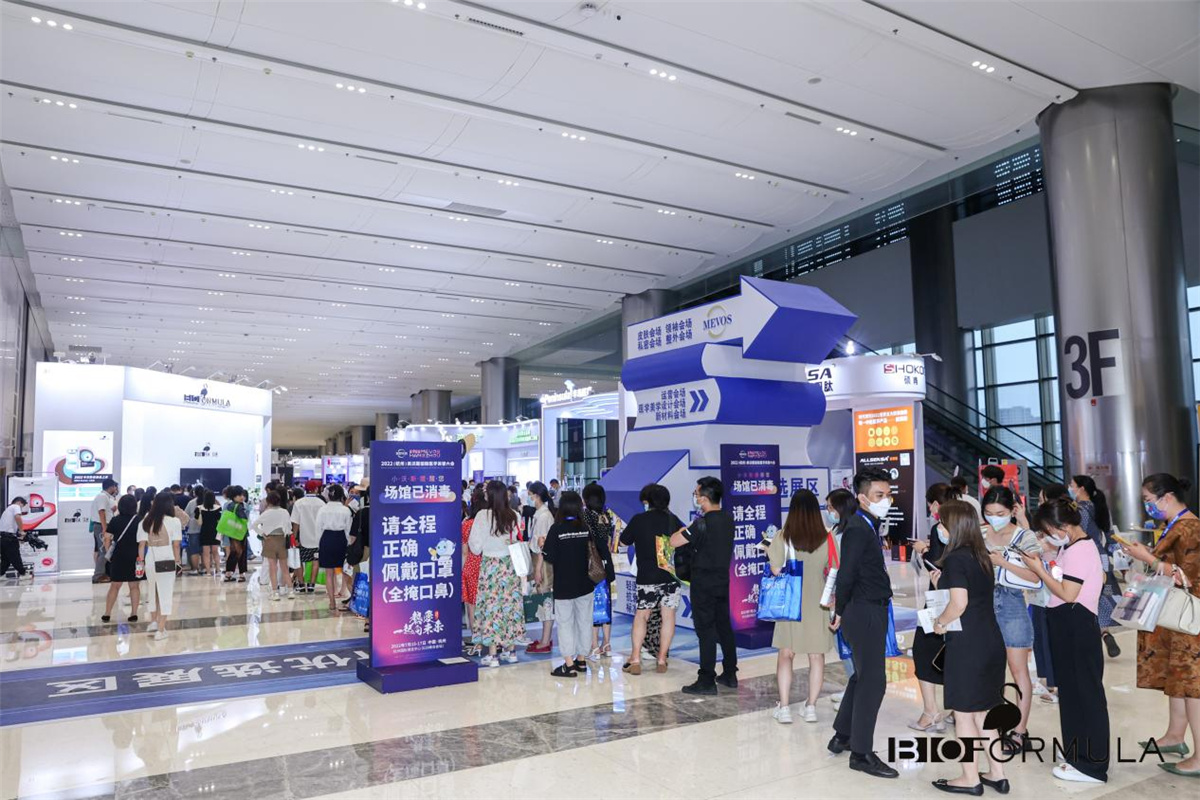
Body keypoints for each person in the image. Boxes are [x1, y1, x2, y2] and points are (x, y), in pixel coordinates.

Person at [1022, 497, 1110, 784]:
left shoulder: (1079, 549)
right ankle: (1077, 752)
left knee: (1085, 694)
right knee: (1072, 693)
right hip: (1067, 624)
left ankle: (1092, 765)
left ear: (1061, 526)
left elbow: (1068, 593)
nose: (1047, 537)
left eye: (1048, 531)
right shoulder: (1072, 547)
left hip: (1076, 625)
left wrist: (1039, 570)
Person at [1122, 473, 1200, 778]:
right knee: (1177, 681)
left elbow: (1189, 576)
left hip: (1189, 623)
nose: (1146, 505)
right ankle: (1175, 736)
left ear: (1166, 498)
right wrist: (1146, 556)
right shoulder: (1175, 525)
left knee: (1192, 688)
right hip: (1174, 620)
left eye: (1148, 500)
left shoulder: (1190, 527)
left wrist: (1148, 558)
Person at [929, 500, 1008, 796]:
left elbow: (959, 604)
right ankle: (998, 774)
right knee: (985, 712)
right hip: (991, 640)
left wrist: (940, 622)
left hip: (967, 646)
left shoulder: (955, 559)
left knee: (963, 714)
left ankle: (969, 778)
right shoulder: (982, 556)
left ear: (953, 527)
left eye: (942, 523)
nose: (939, 528)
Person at [828, 467, 898, 779]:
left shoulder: (867, 524)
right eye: (879, 495)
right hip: (864, 610)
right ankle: (861, 753)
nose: (886, 500)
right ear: (862, 497)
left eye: (888, 494)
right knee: (873, 680)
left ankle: (842, 735)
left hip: (867, 607)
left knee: (861, 675)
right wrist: (840, 610)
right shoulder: (858, 527)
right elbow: (847, 573)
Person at [982, 485, 1042, 752]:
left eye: (1000, 513)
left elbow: (1036, 577)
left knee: (1018, 671)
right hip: (983, 604)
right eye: (989, 513)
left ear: (1012, 510)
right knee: (989, 669)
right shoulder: (980, 533)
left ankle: (1019, 731)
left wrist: (1003, 563)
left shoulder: (1024, 536)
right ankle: (992, 723)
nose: (994, 518)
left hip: (1012, 604)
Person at [768, 489, 835, 725]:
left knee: (786, 654)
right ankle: (811, 707)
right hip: (819, 603)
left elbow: (776, 570)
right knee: (816, 656)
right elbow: (834, 569)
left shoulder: (783, 536)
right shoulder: (827, 537)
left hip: (790, 603)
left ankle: (785, 707)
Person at [670, 477, 737, 695]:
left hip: (703, 583)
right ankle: (730, 673)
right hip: (722, 581)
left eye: (696, 494)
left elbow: (674, 541)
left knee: (706, 630)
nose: (695, 497)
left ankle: (706, 679)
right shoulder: (728, 519)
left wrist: (687, 527)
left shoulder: (701, 524)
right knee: (724, 627)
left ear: (704, 499)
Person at [908, 482, 960, 732]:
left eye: (930, 504)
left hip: (938, 601)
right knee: (955, 654)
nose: (930, 509)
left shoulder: (940, 527)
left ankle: (930, 711)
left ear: (937, 504)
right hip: (962, 600)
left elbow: (937, 564)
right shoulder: (965, 525)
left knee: (922, 652)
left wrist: (924, 550)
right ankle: (958, 710)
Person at [620, 483, 683, 674]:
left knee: (642, 615)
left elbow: (623, 541)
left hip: (647, 577)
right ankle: (662, 659)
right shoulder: (673, 520)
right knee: (668, 617)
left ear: (647, 501)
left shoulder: (639, 520)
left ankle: (635, 659)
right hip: (670, 577)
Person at [468, 480, 526, 667]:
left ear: (491, 495)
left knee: (491, 608)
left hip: (490, 567)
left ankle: (493, 655)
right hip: (510, 567)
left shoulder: (482, 516)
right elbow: (518, 538)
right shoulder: (514, 515)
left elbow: (475, 547)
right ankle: (511, 651)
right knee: (510, 607)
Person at [541, 491, 596, 677]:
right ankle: (581, 660)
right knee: (584, 622)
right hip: (585, 584)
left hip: (564, 585)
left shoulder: (557, 529)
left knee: (565, 623)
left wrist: (542, 545)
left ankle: (569, 665)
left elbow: (549, 557)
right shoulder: (585, 528)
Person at [1069, 475, 1122, 657]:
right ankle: (1105, 632)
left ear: (1081, 488)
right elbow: (1110, 534)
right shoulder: (1100, 507)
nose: (1070, 488)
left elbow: (1077, 535)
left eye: (1072, 485)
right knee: (1102, 596)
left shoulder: (1079, 510)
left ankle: (1094, 636)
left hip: (1087, 557)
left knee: (1087, 597)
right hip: (1102, 557)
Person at [825, 487, 859, 712]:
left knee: (850, 646)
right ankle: (852, 687)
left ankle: (856, 692)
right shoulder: (836, 531)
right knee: (843, 646)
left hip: (848, 597)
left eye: (830, 507)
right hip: (837, 593)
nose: (828, 512)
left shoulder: (851, 533)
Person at [137, 492, 182, 641]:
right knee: (165, 593)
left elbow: (141, 545)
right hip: (167, 559)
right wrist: (178, 562)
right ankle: (161, 630)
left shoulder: (146, 520)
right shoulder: (174, 521)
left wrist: (141, 562)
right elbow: (176, 545)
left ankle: (153, 622)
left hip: (150, 559)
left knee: (153, 591)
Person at [582, 482, 616, 660]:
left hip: (592, 563)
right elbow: (607, 539)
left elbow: (589, 539)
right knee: (606, 602)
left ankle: (594, 645)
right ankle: (607, 643)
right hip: (606, 562)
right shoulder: (606, 515)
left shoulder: (586, 515)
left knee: (594, 604)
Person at [101, 494, 143, 622]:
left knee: (115, 586)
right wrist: (141, 558)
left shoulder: (115, 520)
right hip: (135, 556)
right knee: (134, 586)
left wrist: (108, 552)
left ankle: (107, 613)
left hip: (118, 556)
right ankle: (134, 613)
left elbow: (107, 538)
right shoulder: (139, 520)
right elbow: (142, 541)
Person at [525, 481, 556, 655]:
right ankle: (545, 639)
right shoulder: (540, 514)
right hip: (539, 559)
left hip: (542, 561)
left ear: (536, 496)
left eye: (530, 494)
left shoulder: (544, 516)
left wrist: (537, 569)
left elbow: (543, 546)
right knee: (543, 598)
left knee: (545, 599)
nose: (528, 497)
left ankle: (545, 640)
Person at [315, 484, 353, 611]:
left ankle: (332, 602)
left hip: (326, 539)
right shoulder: (345, 510)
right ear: (342, 496)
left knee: (329, 573)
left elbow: (318, 528)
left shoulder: (322, 509)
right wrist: (348, 545)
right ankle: (349, 595)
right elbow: (348, 529)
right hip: (341, 539)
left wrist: (320, 544)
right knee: (345, 570)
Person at [252, 490, 293, 600]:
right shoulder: (284, 512)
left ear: (268, 501)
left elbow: (254, 525)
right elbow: (289, 528)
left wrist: (262, 533)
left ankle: (275, 593)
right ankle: (290, 591)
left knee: (272, 567)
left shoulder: (266, 513)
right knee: (284, 568)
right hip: (282, 540)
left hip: (269, 540)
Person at [462, 484, 486, 650]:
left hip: (471, 565)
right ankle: (491, 637)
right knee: (489, 602)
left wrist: (463, 570)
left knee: (472, 604)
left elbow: (464, 551)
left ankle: (476, 639)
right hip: (489, 564)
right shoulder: (490, 522)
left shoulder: (466, 524)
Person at [290, 486, 325, 593]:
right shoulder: (321, 503)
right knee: (315, 561)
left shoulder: (299, 503)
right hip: (317, 539)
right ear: (316, 489)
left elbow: (295, 522)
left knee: (299, 561)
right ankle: (311, 585)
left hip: (302, 538)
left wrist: (294, 537)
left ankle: (301, 585)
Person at [90, 478, 120, 583]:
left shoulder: (106, 497)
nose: (116, 489)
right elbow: (101, 512)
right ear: (111, 487)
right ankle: (98, 576)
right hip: (101, 526)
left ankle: (104, 574)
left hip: (104, 525)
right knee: (103, 551)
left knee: (106, 551)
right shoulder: (102, 496)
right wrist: (104, 528)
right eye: (115, 487)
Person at [222, 487, 250, 582]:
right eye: (239, 495)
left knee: (234, 552)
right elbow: (244, 518)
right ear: (234, 496)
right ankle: (241, 574)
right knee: (240, 553)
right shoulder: (239, 506)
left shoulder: (229, 505)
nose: (241, 497)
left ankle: (228, 573)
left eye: (242, 495)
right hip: (240, 532)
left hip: (232, 531)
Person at [0, 496, 28, 579]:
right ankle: (23, 574)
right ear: (19, 502)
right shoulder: (15, 506)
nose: (21, 509)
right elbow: (17, 517)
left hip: (2, 538)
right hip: (9, 538)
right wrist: (21, 531)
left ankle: (1, 574)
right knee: (15, 556)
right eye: (22, 506)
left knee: (6, 559)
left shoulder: (7, 510)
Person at [195, 491, 222, 576]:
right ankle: (218, 569)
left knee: (205, 553)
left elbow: (199, 523)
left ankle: (208, 571)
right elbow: (219, 521)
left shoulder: (199, 508)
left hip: (204, 532)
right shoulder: (218, 508)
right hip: (215, 531)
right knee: (215, 551)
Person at [182, 486, 204, 575]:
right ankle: (204, 568)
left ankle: (195, 569)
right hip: (205, 530)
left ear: (194, 493)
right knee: (204, 551)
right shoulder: (208, 502)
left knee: (194, 551)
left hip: (193, 530)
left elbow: (185, 515)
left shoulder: (191, 503)